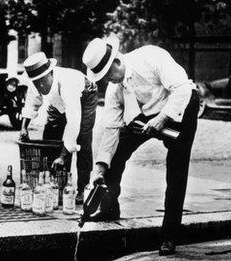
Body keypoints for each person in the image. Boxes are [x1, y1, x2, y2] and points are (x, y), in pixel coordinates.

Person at [82, 37, 199, 255]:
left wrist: (163, 118)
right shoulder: (114, 89)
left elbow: (182, 88)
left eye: (108, 74)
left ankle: (169, 236)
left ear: (117, 62)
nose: (109, 80)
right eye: (103, 78)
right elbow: (111, 129)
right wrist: (99, 169)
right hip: (145, 115)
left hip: (181, 106)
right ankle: (109, 208)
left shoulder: (150, 57)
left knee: (176, 171)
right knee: (116, 156)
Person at [20, 52, 98, 204]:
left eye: (42, 81)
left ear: (50, 73)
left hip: (84, 96)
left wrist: (63, 155)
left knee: (82, 140)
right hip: (57, 103)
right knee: (50, 137)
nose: (40, 86)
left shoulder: (67, 82)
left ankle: (82, 188)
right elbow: (31, 103)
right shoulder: (35, 81)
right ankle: (57, 184)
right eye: (36, 83)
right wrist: (24, 127)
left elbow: (73, 121)